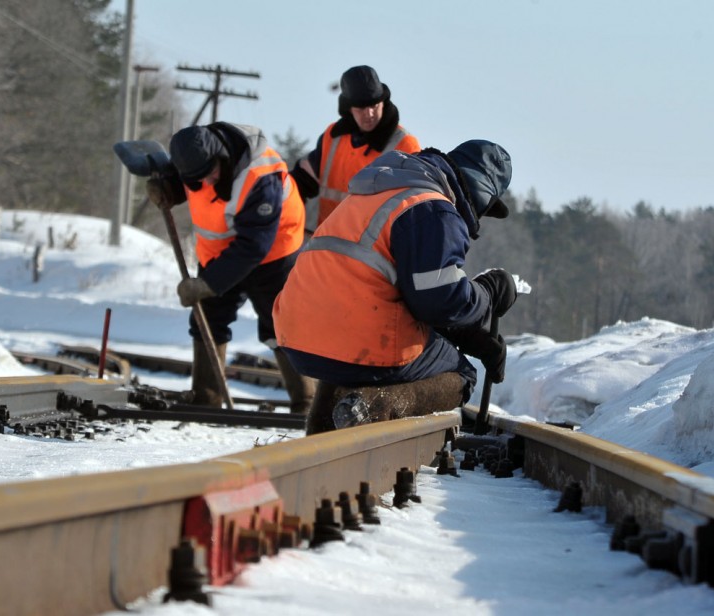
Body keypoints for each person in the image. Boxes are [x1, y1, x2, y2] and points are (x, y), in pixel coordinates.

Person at [272, 139, 519, 434]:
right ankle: (372, 407)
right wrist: (488, 293)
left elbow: (409, 295)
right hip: (355, 336)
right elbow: (439, 300)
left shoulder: (380, 193)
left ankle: (322, 434)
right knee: (461, 372)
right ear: (483, 195)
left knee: (348, 347)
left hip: (295, 333)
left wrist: (470, 337)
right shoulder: (434, 210)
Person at [145, 121, 316, 414]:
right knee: (207, 318)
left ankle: (306, 403)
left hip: (273, 252)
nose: (208, 183)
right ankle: (206, 397)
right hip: (220, 250)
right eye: (197, 180)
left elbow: (253, 246)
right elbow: (187, 183)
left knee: (281, 326)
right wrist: (169, 189)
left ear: (221, 157)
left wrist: (207, 284)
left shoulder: (262, 177)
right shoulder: (193, 159)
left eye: (211, 174)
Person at [290, 65, 421, 231]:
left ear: (383, 102)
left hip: (372, 253)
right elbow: (299, 183)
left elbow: (414, 209)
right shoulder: (333, 137)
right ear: (349, 108)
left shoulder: (405, 145)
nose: (369, 114)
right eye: (361, 108)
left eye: (374, 106)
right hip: (325, 244)